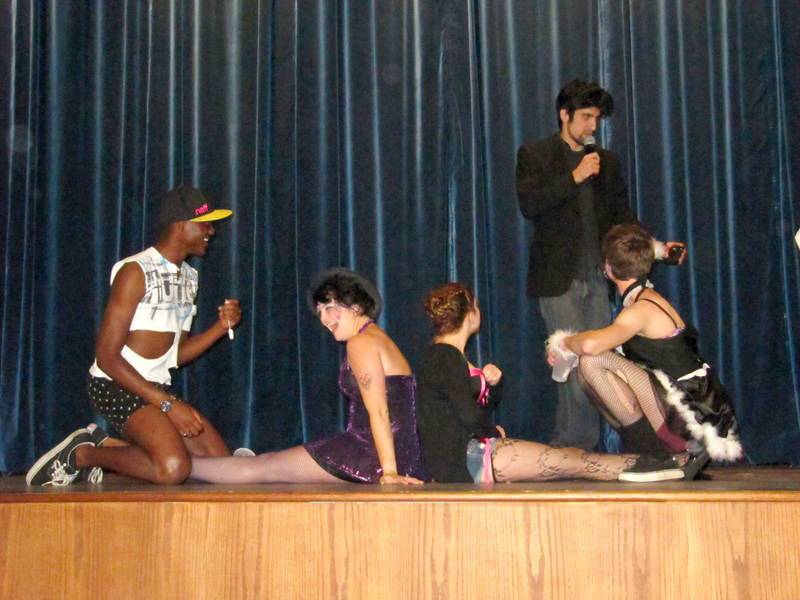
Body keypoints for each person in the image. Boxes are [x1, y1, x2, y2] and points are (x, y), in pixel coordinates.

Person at [26, 185, 239, 486]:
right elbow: (107, 358)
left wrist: (220, 327)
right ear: (181, 226)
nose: (211, 231)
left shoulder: (189, 278)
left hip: (153, 388)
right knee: (173, 468)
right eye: (205, 224)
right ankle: (83, 454)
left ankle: (109, 444)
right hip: (114, 384)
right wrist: (168, 405)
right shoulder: (135, 271)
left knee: (224, 466)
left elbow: (175, 355)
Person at [516, 78, 686, 450]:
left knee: (598, 363)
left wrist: (657, 248)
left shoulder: (607, 162)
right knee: (571, 363)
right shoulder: (536, 154)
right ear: (564, 115)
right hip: (558, 279)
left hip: (598, 278)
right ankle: (572, 446)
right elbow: (530, 205)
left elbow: (622, 217)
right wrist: (574, 177)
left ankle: (592, 445)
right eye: (586, 117)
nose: (593, 126)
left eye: (596, 118)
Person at [416, 282, 702, 484]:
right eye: (477, 306)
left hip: (470, 453)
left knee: (573, 459)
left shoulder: (449, 356)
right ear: (469, 314)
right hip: (466, 458)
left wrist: (494, 386)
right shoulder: (445, 356)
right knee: (575, 462)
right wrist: (492, 430)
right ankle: (670, 464)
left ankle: (667, 464)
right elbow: (467, 415)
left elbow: (469, 408)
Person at [188, 268, 426, 485]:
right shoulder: (377, 338)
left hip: (370, 454)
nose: (324, 319)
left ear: (355, 307)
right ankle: (185, 464)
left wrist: (389, 471)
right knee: (265, 466)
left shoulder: (361, 342)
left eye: (329, 308)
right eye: (320, 312)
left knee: (262, 467)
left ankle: (183, 466)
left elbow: (380, 411)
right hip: (395, 454)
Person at [551, 223, 742, 463]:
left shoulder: (640, 310)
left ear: (608, 267)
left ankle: (660, 455)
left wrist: (563, 342)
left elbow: (591, 346)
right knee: (592, 365)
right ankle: (661, 453)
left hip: (691, 418)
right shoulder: (645, 299)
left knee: (592, 362)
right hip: (694, 407)